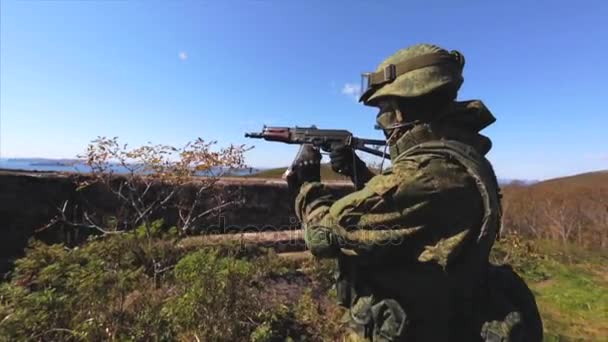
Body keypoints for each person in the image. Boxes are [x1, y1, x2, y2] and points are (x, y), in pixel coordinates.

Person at [285, 43, 542, 341]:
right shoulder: (461, 157)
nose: (381, 125)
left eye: (383, 112)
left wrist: (306, 183)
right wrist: (358, 172)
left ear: (400, 111)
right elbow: (403, 211)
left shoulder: (423, 176)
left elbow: (322, 235)